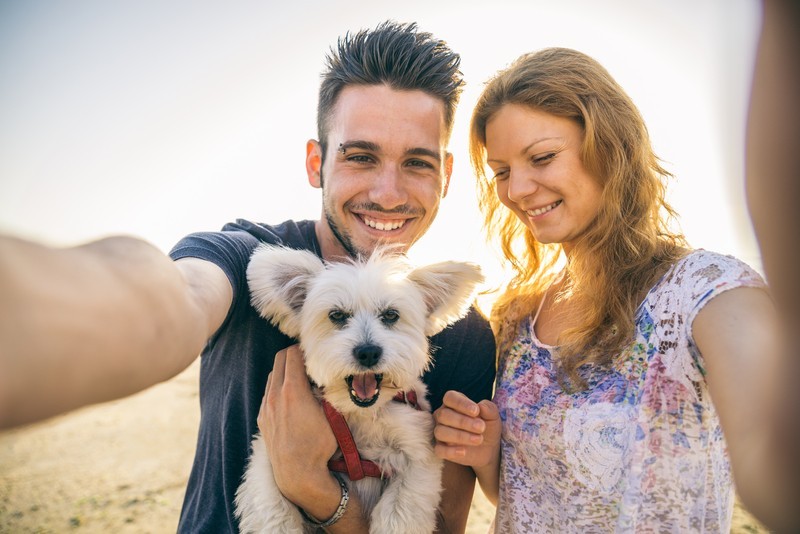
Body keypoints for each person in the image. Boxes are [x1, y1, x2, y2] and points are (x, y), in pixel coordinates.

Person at [0, 21, 496, 533]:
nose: (389, 193)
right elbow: (173, 297)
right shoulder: (245, 258)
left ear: (446, 175)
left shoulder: (465, 335)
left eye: (417, 162)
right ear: (315, 161)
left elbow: (442, 524)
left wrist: (314, 488)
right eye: (361, 156)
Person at [432, 46, 786, 532]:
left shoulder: (700, 291)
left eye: (542, 157)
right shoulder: (519, 317)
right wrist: (487, 454)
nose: (516, 190)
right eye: (502, 172)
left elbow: (772, 459)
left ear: (609, 144)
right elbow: (524, 494)